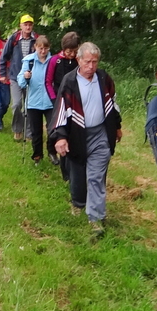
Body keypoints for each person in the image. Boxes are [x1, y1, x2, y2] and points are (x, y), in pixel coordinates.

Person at [49, 42, 122, 239]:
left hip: (100, 134)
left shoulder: (104, 78)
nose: (91, 66)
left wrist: (117, 126)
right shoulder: (69, 81)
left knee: (96, 177)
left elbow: (112, 104)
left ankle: (96, 218)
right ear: (78, 60)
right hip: (77, 134)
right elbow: (61, 110)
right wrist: (61, 137)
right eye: (87, 62)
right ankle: (78, 202)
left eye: (95, 62)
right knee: (78, 174)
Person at [45, 31, 81, 167]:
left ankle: (70, 154)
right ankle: (51, 151)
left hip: (75, 100)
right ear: (63, 49)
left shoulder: (80, 60)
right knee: (54, 127)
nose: (72, 54)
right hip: (57, 99)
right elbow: (48, 82)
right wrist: (54, 99)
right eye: (69, 51)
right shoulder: (55, 60)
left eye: (75, 51)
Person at [1, 14, 38, 142]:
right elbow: (4, 56)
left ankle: (29, 133)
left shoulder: (37, 39)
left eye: (30, 25)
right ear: (21, 26)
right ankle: (17, 129)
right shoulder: (14, 38)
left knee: (29, 105)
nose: (28, 27)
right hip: (15, 77)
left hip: (32, 78)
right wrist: (2, 74)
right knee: (17, 104)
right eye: (25, 24)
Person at [18, 36, 53, 164]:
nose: (43, 51)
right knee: (36, 131)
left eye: (45, 48)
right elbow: (21, 82)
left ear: (49, 48)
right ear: (35, 47)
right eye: (40, 48)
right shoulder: (29, 61)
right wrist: (25, 77)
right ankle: (37, 155)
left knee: (52, 129)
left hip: (50, 101)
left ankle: (52, 152)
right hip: (33, 102)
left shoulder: (53, 61)